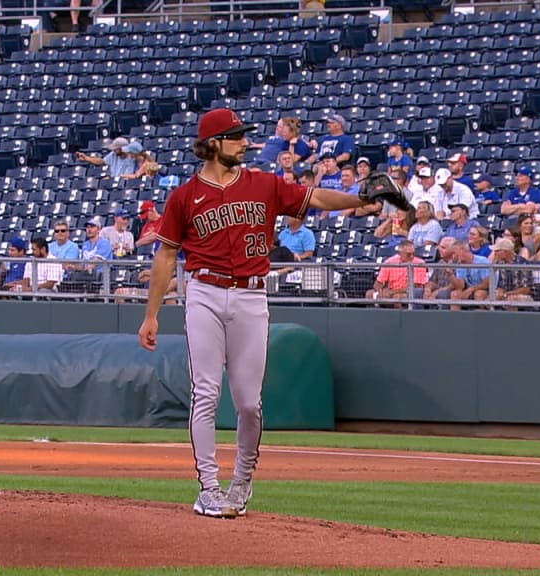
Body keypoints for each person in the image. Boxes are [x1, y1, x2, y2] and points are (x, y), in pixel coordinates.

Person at [136, 108, 394, 519]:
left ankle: (241, 481)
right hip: (203, 291)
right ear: (213, 144)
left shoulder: (264, 184)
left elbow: (317, 198)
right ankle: (207, 487)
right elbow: (167, 254)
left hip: (252, 296)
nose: (245, 143)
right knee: (205, 394)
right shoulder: (185, 195)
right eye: (236, 136)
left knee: (249, 404)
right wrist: (151, 314)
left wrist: (361, 199)